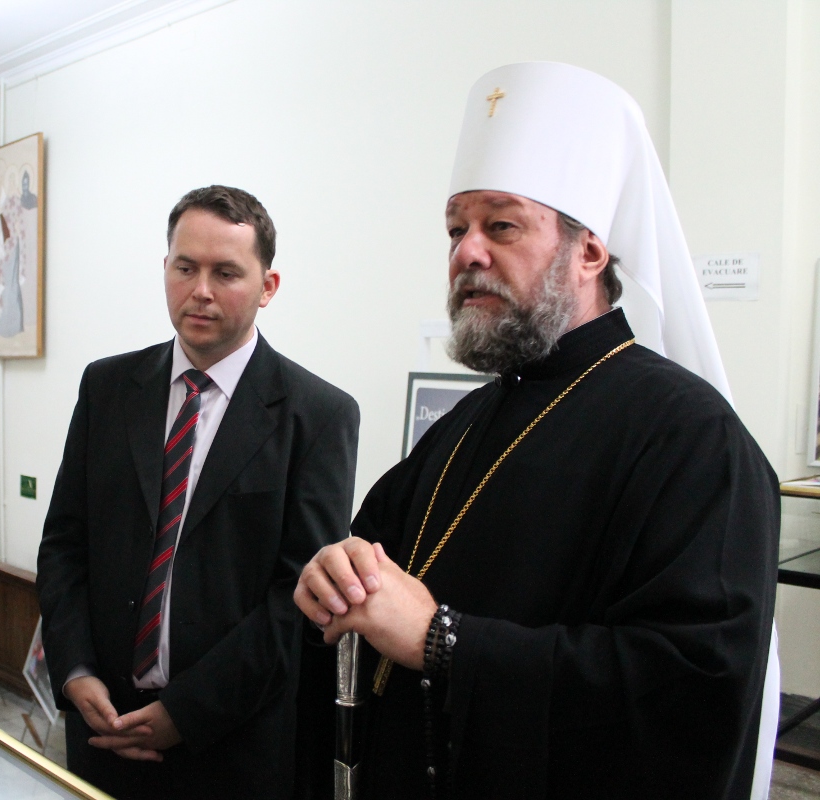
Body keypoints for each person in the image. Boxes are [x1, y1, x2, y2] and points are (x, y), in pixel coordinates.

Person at [294, 62, 778, 799]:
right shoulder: (464, 424)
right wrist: (334, 577)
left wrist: (442, 640)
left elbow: (693, 688)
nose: (466, 252)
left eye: (501, 225)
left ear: (590, 252)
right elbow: (371, 571)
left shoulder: (695, 439)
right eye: (456, 229)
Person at [37, 185, 360, 800]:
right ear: (166, 268)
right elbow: (64, 544)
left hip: (229, 746)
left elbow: (298, 598)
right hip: (103, 728)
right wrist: (74, 668)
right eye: (185, 268)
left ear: (267, 287)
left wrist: (185, 713)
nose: (201, 290)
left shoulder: (317, 415)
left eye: (226, 273)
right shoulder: (108, 388)